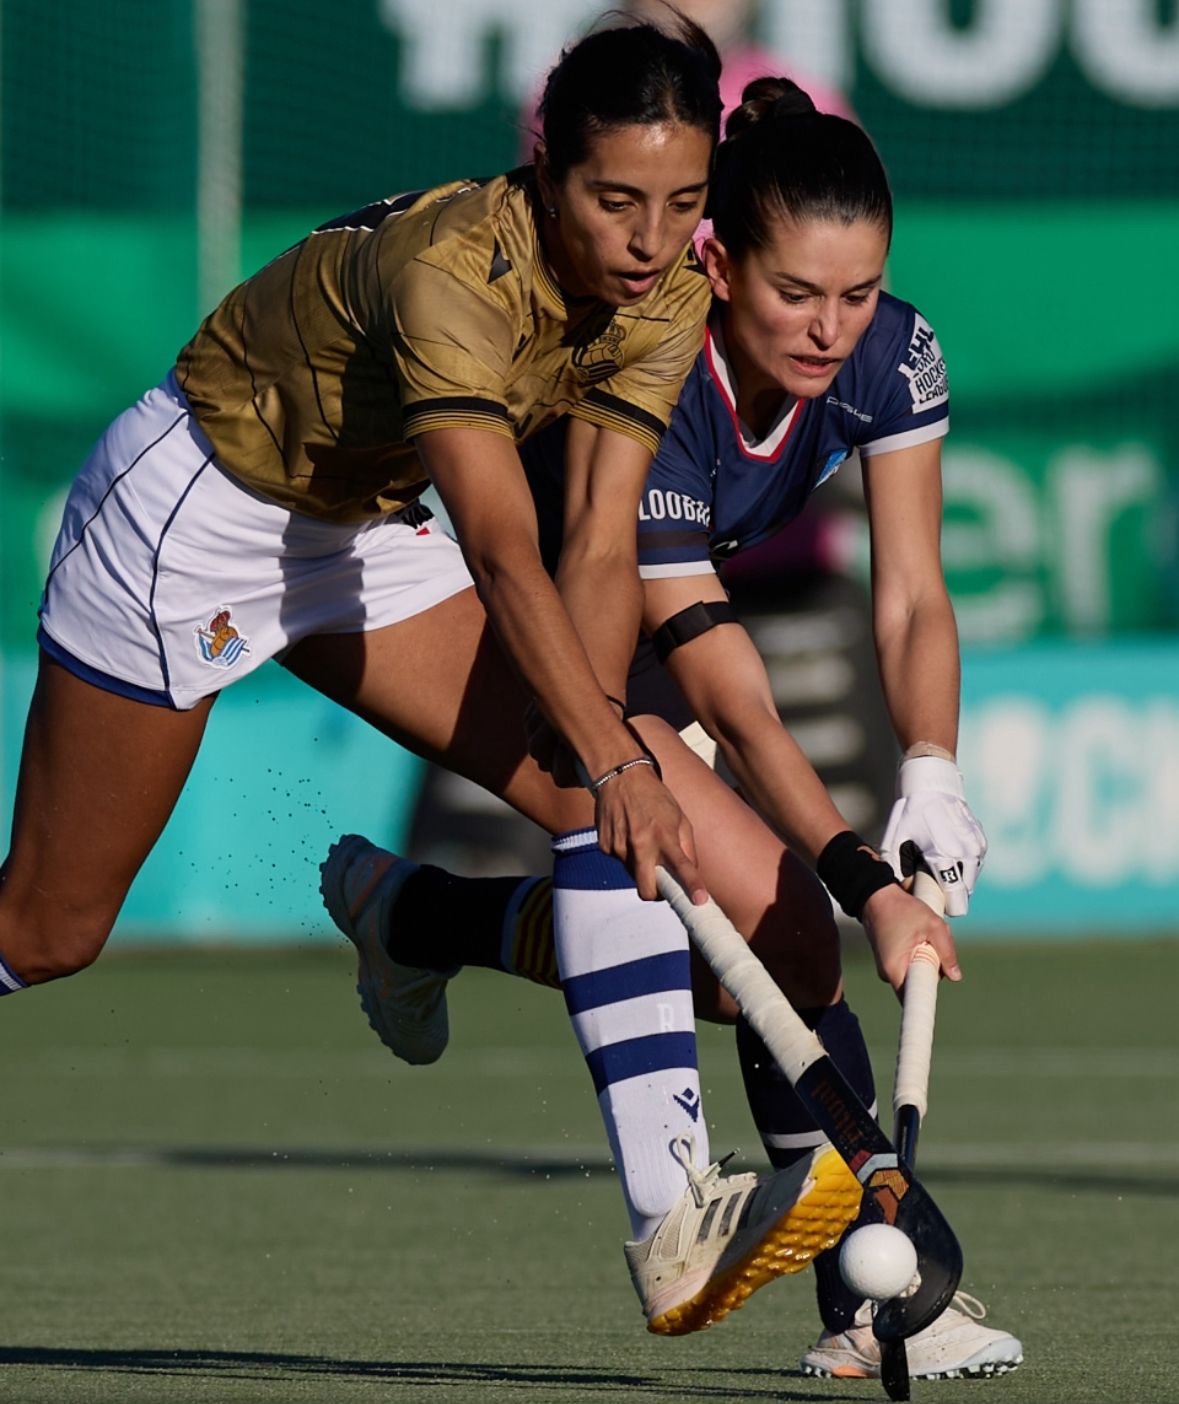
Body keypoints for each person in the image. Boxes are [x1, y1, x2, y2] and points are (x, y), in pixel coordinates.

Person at [0, 12, 869, 1344]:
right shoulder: (452, 270)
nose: (647, 239)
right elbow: (504, 545)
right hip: (198, 517)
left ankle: (670, 1221)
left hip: (361, 533)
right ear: (545, 169)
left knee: (673, 859)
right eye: (614, 201)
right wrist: (621, 753)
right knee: (46, 935)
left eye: (680, 205)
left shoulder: (667, 289)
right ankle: (423, 927)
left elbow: (593, 534)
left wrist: (602, 749)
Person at [322, 79, 1022, 1381]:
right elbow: (722, 685)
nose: (829, 331)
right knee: (774, 914)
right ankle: (873, 1286)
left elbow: (915, 592)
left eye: (857, 294)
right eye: (794, 295)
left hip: (601, 614)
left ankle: (417, 921)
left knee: (774, 943)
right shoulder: (662, 373)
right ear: (722, 261)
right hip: (464, 585)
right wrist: (862, 874)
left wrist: (929, 768)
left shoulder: (889, 352)